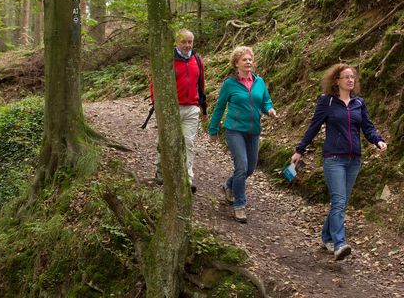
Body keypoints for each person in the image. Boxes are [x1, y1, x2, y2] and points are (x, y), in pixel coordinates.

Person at [290, 63, 387, 261]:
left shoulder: (359, 103)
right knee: (339, 201)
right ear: (337, 81)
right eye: (346, 77)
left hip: (354, 160)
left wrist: (377, 140)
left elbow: (367, 127)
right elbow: (313, 127)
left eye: (353, 77)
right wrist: (300, 150)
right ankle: (339, 243)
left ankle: (327, 237)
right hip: (334, 159)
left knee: (340, 203)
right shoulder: (327, 102)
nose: (351, 80)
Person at [208, 46, 276, 223]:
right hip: (235, 130)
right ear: (236, 63)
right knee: (241, 166)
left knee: (250, 168)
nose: (248, 62)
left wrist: (269, 110)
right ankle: (239, 205)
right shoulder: (229, 84)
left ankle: (228, 185)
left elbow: (265, 101)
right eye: (244, 59)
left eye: (250, 59)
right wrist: (213, 130)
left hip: (253, 131)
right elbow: (220, 107)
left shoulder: (259, 82)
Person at [151, 29, 207, 193]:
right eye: (183, 42)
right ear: (176, 42)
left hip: (191, 108)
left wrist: (204, 108)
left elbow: (201, 85)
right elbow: (155, 82)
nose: (187, 45)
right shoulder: (168, 59)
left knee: (188, 143)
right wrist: (157, 104)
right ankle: (160, 171)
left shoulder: (197, 59)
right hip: (170, 108)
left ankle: (187, 180)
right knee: (165, 141)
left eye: (190, 42)